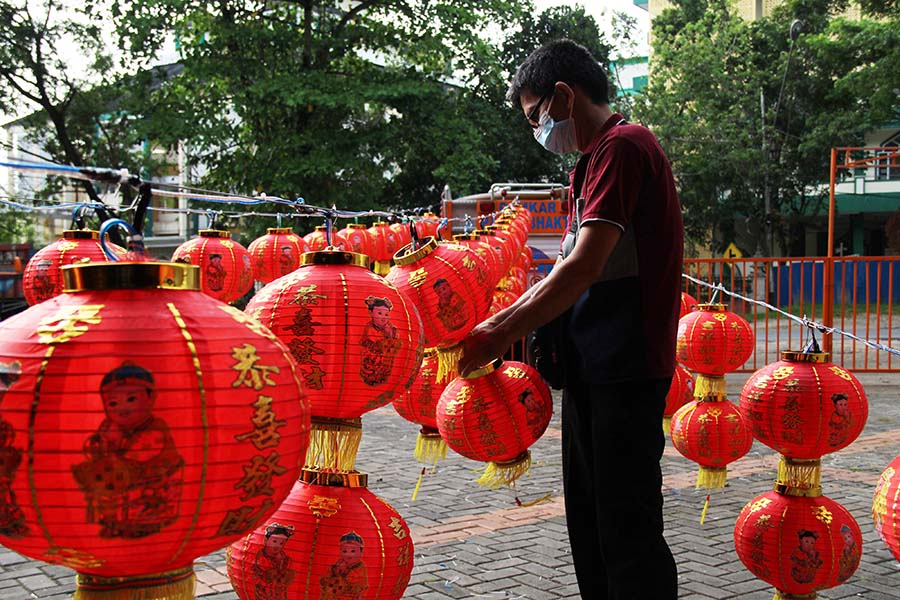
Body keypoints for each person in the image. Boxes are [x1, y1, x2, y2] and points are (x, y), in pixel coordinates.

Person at [458, 39, 682, 599]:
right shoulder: (590, 163)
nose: (539, 130)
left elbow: (582, 267)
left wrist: (498, 332)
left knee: (625, 527)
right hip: (596, 367)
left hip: (626, 366)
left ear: (565, 94)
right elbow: (562, 269)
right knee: (591, 521)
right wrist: (498, 323)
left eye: (538, 116)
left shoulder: (623, 147)